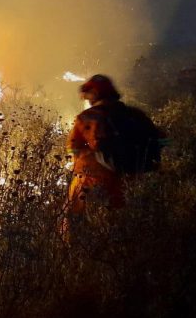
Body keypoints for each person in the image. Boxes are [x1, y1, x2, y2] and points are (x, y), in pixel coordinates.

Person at [66, 74, 164, 216]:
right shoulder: (136, 115)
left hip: (93, 188)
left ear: (94, 94)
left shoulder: (87, 118)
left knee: (76, 221)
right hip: (131, 188)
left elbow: (73, 149)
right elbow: (161, 140)